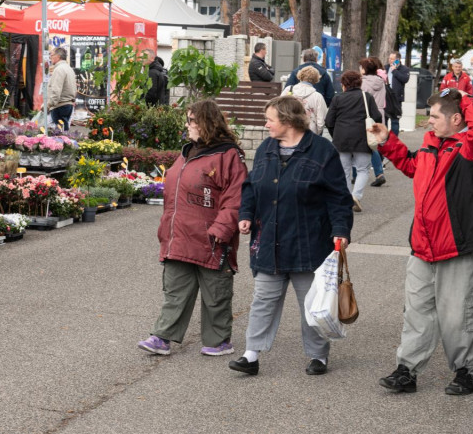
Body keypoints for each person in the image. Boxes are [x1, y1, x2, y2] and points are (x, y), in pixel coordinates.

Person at [229, 96, 354, 377]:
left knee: (311, 304)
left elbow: (338, 197)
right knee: (263, 299)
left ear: (287, 121)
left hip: (308, 242)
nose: (266, 124)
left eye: (270, 119)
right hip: (269, 240)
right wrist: (246, 214)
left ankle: (318, 356)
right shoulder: (266, 149)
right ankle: (251, 355)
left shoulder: (322, 151)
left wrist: (341, 231)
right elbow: (250, 186)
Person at [372, 88, 473, 396]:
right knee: (416, 312)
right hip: (422, 246)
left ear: (456, 119)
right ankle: (407, 370)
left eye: (433, 116)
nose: (428, 122)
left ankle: (467, 372)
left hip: (456, 247)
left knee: (458, 314)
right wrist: (386, 141)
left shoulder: (468, 147)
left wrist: (463, 96)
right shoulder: (431, 145)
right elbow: (410, 165)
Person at [137, 100, 248, 358]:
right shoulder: (188, 152)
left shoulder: (228, 155)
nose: (187, 126)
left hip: (211, 239)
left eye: (191, 121)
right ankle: (162, 337)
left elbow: (236, 196)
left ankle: (218, 340)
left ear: (206, 123)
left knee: (215, 294)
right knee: (175, 290)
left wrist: (220, 230)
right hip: (180, 237)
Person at [325, 71, 379, 212]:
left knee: (344, 171)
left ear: (344, 84)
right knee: (363, 170)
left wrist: (335, 134)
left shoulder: (338, 98)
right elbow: (377, 116)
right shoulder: (366, 97)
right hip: (363, 138)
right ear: (359, 82)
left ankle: (348, 198)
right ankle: (356, 195)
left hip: (341, 139)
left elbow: (329, 121)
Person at [360, 58, 387, 188]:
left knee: (362, 141)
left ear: (364, 69)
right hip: (379, 112)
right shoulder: (381, 81)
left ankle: (355, 173)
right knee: (374, 143)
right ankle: (379, 173)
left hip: (367, 115)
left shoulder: (363, 83)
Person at [284, 66, 327, 135]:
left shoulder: (289, 90)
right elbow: (321, 121)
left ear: (300, 75)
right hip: (310, 133)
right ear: (316, 79)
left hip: (290, 130)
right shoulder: (318, 97)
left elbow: (279, 109)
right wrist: (317, 133)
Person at [47, 47, 76, 131]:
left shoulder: (59, 69)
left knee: (60, 133)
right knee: (64, 130)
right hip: (67, 104)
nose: (50, 57)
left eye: (51, 55)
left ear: (58, 56)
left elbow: (56, 90)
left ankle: (65, 144)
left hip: (60, 105)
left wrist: (49, 104)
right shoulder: (68, 68)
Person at [387, 52, 410, 135]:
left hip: (396, 98)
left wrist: (394, 70)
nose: (390, 60)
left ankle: (394, 141)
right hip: (386, 97)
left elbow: (405, 79)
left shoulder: (404, 69)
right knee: (384, 119)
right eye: (389, 58)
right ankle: (384, 141)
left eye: (392, 59)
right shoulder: (386, 68)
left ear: (397, 60)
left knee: (395, 121)